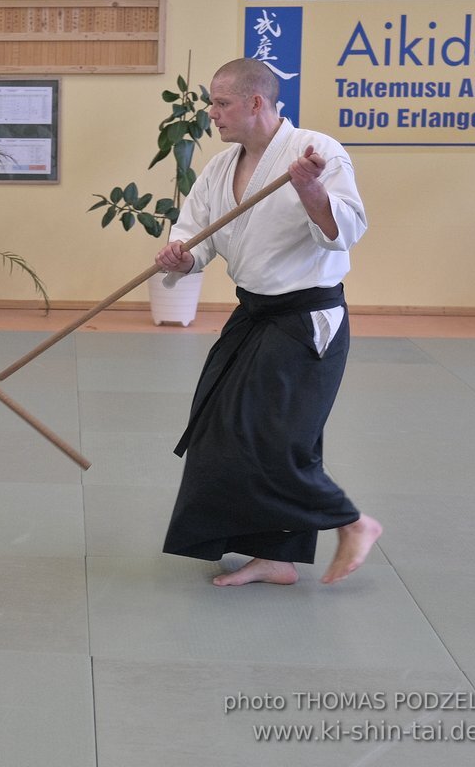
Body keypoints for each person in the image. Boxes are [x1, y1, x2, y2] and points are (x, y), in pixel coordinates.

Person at [155, 58, 382, 587]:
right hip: (254, 314)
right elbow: (196, 239)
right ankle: (274, 556)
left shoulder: (316, 152)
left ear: (256, 102)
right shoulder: (219, 168)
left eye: (221, 103)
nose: (212, 114)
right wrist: (179, 258)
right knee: (218, 431)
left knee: (272, 438)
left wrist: (311, 190)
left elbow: (345, 230)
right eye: (212, 103)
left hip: (306, 319)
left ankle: (353, 522)